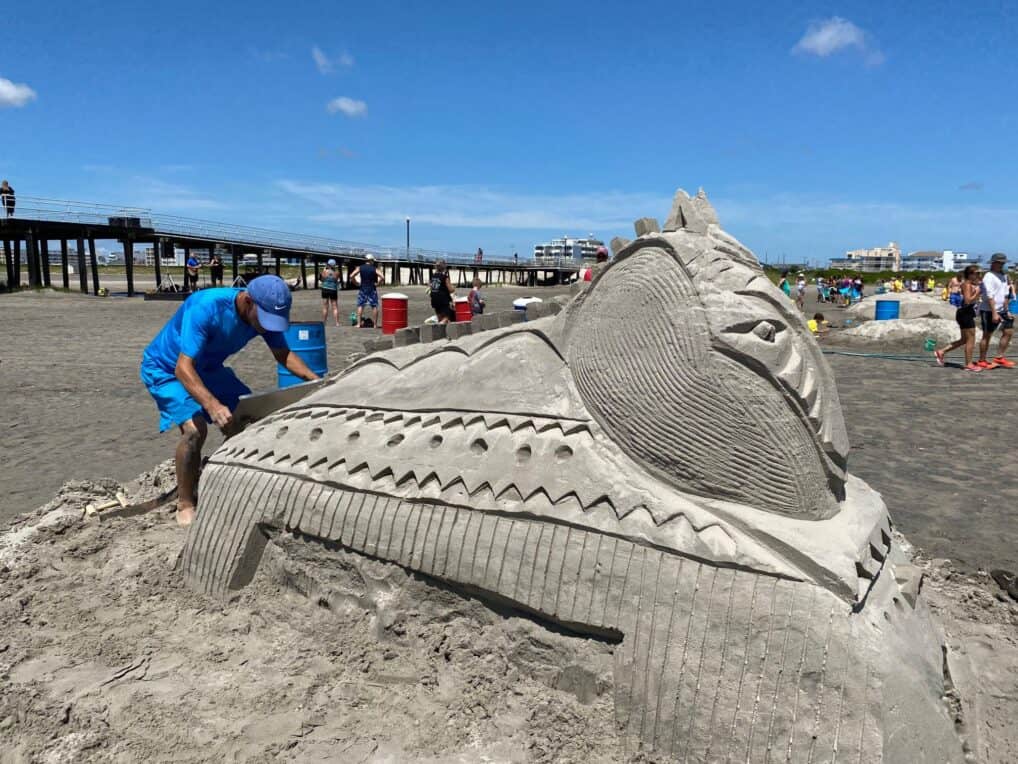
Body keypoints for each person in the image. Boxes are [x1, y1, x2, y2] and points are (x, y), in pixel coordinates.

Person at [139, 276, 320, 526]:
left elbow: (283, 354)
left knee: (249, 415)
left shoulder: (261, 318)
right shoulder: (205, 307)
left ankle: (221, 474)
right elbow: (183, 368)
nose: (266, 328)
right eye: (264, 320)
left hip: (208, 367)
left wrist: (316, 382)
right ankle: (185, 502)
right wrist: (212, 405)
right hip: (167, 369)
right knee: (195, 431)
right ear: (248, 301)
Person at [935, 265, 984, 371]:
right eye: (977, 273)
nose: (979, 275)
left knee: (964, 340)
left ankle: (941, 352)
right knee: (971, 340)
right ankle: (968, 364)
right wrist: (977, 293)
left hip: (966, 313)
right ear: (970, 274)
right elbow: (967, 300)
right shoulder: (966, 284)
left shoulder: (971, 284)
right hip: (965, 313)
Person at [976, 253, 1016, 369]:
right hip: (989, 309)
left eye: (1003, 263)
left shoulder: (1003, 276)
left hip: (1002, 309)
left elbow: (1004, 294)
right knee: (987, 335)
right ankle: (982, 359)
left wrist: (1006, 309)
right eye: (1000, 263)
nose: (1002, 265)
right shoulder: (989, 276)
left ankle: (999, 357)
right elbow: (989, 295)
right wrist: (994, 312)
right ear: (994, 263)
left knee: (1008, 331)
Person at [351, 254, 383, 327]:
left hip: (363, 288)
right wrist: (378, 284)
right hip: (372, 288)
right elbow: (382, 277)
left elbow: (351, 276)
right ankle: (375, 325)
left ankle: (359, 324)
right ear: (371, 260)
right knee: (374, 306)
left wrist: (355, 283)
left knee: (360, 305)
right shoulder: (374, 268)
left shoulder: (360, 267)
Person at [429, 259, 455, 323]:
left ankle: (439, 328)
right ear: (444, 267)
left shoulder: (433, 276)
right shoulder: (444, 277)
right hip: (443, 299)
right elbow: (451, 290)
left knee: (439, 317)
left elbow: (431, 286)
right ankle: (440, 324)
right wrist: (454, 288)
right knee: (448, 316)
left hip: (434, 299)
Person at [320, 258, 340, 327]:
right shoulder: (337, 272)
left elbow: (322, 280)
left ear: (328, 264)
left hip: (325, 289)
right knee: (335, 307)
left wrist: (324, 271)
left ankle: (324, 322)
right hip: (333, 289)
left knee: (325, 307)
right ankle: (337, 323)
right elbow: (336, 280)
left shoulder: (325, 271)